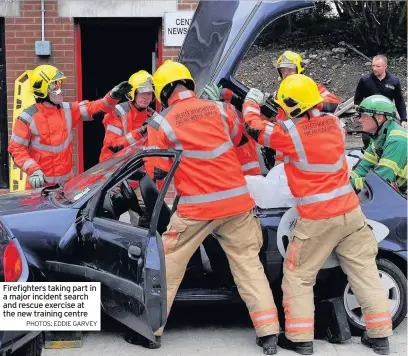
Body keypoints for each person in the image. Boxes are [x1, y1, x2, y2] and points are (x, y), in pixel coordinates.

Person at [126, 60, 280, 355]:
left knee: (168, 266)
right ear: (190, 85)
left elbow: (156, 170)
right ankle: (269, 333)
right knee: (249, 267)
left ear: (162, 91)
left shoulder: (161, 122)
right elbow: (237, 140)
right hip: (236, 204)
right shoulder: (221, 109)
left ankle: (151, 331)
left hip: (196, 209)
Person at [243, 74, 392, 355]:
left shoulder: (291, 135)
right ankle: (380, 337)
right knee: (365, 273)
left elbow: (255, 129)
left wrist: (251, 103)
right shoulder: (335, 124)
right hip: (350, 212)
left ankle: (300, 339)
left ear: (293, 107)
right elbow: (314, 116)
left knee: (298, 276)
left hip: (317, 217)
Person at [8, 64, 131, 189]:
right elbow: (16, 149)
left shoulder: (67, 109)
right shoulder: (27, 117)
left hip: (66, 187)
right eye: (55, 86)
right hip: (39, 188)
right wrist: (33, 170)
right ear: (42, 89)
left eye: (59, 85)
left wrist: (113, 97)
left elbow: (94, 108)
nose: (59, 90)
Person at [351, 95, 407, 195]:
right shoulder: (379, 137)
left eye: (364, 116)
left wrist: (350, 185)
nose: (360, 120)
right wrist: (348, 180)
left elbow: (381, 181)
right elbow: (363, 168)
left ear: (379, 118)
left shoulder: (398, 140)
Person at [202, 84, 262, 175]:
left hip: (245, 171)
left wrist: (220, 104)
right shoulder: (224, 108)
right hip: (245, 168)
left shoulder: (224, 109)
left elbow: (240, 136)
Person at [99, 70, 154, 162]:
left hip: (138, 167)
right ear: (132, 93)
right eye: (142, 92)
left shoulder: (154, 117)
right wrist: (139, 132)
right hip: (112, 167)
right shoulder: (117, 112)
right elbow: (113, 146)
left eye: (149, 93)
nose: (146, 97)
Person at [354, 55, 407, 128]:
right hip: (370, 116)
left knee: (389, 136)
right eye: (373, 66)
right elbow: (357, 100)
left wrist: (404, 119)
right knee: (367, 138)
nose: (374, 69)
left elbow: (399, 101)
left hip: (387, 116)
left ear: (385, 67)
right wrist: (361, 115)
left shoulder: (394, 81)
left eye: (378, 66)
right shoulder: (365, 80)